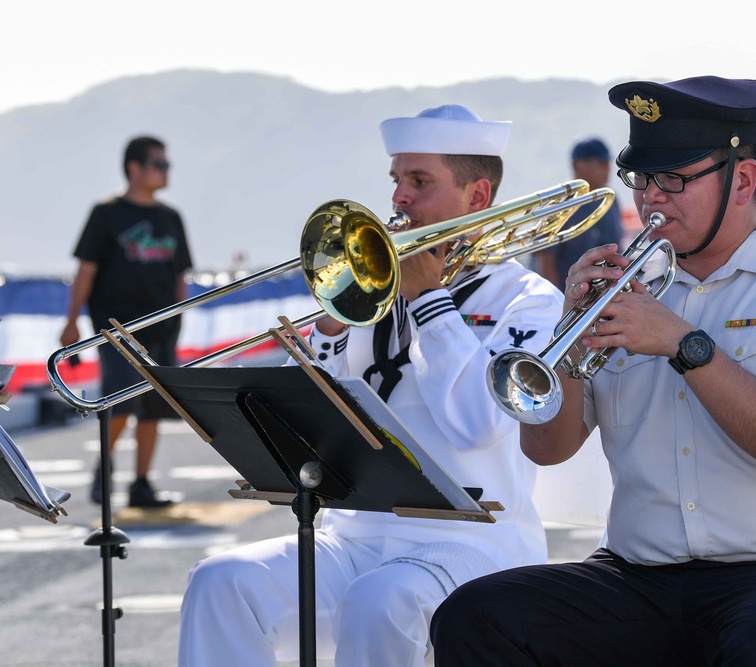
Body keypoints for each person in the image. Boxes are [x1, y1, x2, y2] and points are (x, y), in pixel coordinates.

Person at [431, 76, 756, 666]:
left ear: (743, 179)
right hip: (641, 577)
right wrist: (567, 339)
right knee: (476, 617)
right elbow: (547, 448)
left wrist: (683, 344)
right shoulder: (627, 288)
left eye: (673, 179)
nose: (650, 199)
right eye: (642, 179)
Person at [177, 104, 564, 667]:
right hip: (354, 536)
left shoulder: (529, 301)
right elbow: (297, 425)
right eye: (397, 181)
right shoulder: (373, 291)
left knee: (381, 600)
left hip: (473, 544)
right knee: (221, 583)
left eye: (419, 181)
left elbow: (478, 424)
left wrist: (428, 300)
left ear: (478, 197)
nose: (398, 199)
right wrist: (330, 328)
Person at [60, 135, 191, 508]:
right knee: (121, 402)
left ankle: (142, 483)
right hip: (115, 329)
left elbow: (180, 272)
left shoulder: (171, 217)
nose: (166, 171)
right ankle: (106, 463)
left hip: (162, 328)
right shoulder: (106, 213)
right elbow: (85, 270)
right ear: (135, 168)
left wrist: (178, 316)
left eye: (167, 164)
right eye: (159, 164)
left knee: (152, 408)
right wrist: (71, 323)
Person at [534, 138, 623, 287]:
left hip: (606, 296)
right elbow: (545, 259)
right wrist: (557, 304)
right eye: (601, 163)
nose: (608, 168)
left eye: (607, 163)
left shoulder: (610, 200)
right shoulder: (557, 205)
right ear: (579, 165)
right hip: (568, 298)